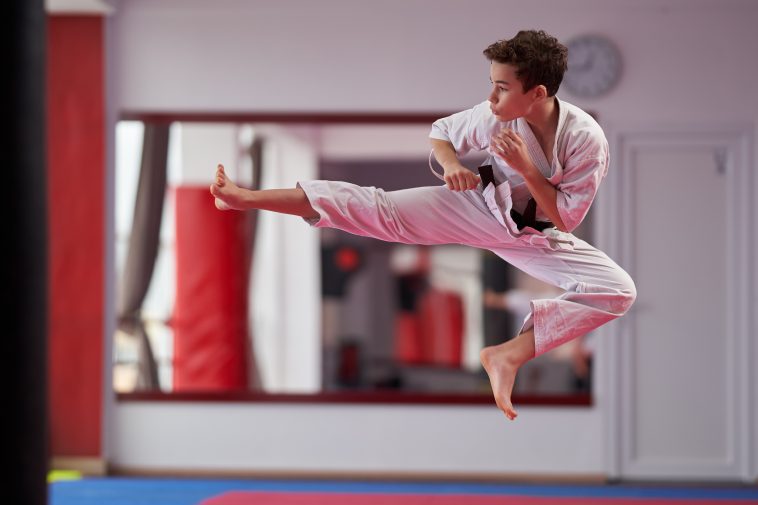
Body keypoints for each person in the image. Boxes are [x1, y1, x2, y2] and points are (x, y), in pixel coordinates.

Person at [209, 30, 636, 421]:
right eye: (492, 83)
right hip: (479, 207)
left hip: (536, 236)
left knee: (618, 290)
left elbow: (565, 217)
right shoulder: (496, 117)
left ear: (538, 92)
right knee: (376, 208)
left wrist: (527, 170)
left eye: (502, 87)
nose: (491, 96)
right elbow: (442, 132)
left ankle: (507, 355)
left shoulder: (585, 140)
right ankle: (246, 198)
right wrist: (451, 166)